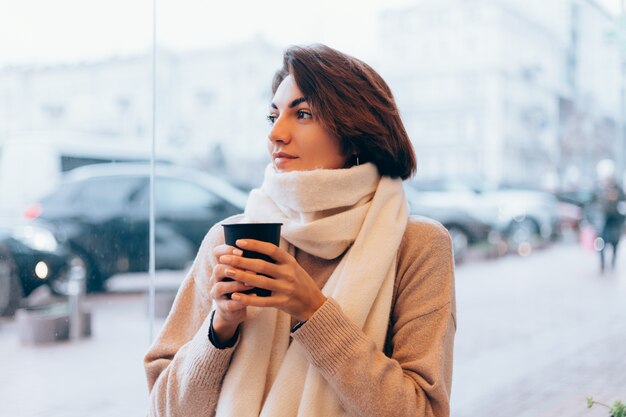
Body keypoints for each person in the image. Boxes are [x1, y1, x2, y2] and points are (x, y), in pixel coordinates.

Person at [144, 44, 456, 417]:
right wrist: (220, 327)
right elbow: (167, 410)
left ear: (354, 132)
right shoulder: (231, 238)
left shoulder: (417, 246)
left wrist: (313, 310)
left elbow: (421, 412)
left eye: (303, 114)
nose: (276, 133)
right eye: (272, 116)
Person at [588, 159, 626, 273]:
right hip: (601, 220)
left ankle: (613, 261)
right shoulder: (597, 188)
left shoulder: (617, 188)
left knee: (615, 242)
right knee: (600, 242)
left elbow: (623, 201)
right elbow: (591, 204)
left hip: (614, 220)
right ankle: (602, 263)